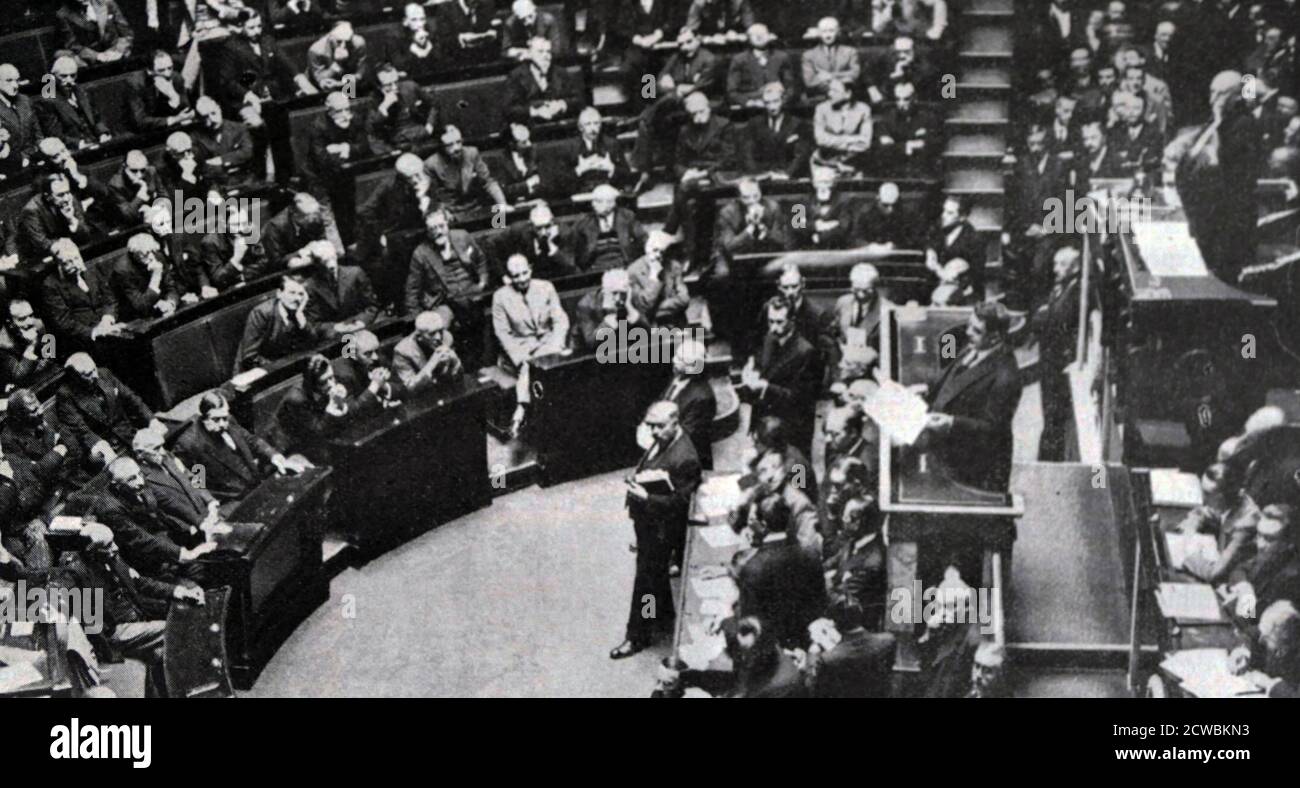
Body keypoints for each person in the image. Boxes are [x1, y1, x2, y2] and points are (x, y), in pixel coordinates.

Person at [53, 521, 204, 697]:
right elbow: (59, 592)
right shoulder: (77, 572)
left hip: (135, 620)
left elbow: (139, 582)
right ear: (92, 551)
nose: (115, 548)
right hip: (114, 633)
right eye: (108, 546)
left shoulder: (112, 558)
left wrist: (179, 591)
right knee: (175, 628)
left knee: (161, 653)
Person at [611, 400, 702, 659]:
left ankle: (638, 635)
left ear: (675, 422)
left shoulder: (685, 458)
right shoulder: (665, 438)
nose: (653, 432)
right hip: (648, 522)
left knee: (645, 582)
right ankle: (663, 617)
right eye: (651, 426)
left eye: (659, 426)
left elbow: (682, 503)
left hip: (660, 530)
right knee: (656, 576)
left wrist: (646, 498)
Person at [921, 301, 1023, 493]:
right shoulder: (975, 345)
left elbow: (993, 430)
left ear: (995, 337)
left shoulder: (1006, 377)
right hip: (948, 452)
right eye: (969, 325)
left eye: (976, 330)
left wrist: (951, 422)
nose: (968, 332)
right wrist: (927, 388)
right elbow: (952, 377)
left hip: (971, 470)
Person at [1175, 70, 1262, 283]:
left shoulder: (1243, 123)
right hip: (1202, 216)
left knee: (1220, 281)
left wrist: (1216, 130)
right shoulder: (1216, 120)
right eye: (1212, 92)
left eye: (1221, 94)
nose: (1214, 99)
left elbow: (1227, 167)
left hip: (1226, 224)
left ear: (1237, 95)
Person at [734, 491, 828, 648]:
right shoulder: (812, 556)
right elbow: (819, 605)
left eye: (752, 520)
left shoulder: (752, 568)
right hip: (806, 643)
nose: (749, 523)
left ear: (763, 526)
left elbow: (748, 624)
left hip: (769, 650)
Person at [491, 254, 569, 433]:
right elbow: (502, 334)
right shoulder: (500, 297)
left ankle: (521, 409)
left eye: (525, 273)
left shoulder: (546, 287)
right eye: (516, 276)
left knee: (537, 365)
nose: (522, 279)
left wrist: (556, 345)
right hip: (521, 349)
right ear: (509, 277)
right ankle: (529, 413)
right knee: (529, 366)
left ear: (530, 269)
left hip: (548, 344)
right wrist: (520, 357)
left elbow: (560, 320)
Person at [172, 391, 295, 502]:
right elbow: (195, 482)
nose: (223, 424)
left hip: (255, 482)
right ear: (203, 418)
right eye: (216, 419)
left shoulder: (228, 420)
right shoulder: (190, 444)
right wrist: (211, 502)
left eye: (224, 418)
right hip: (230, 499)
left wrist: (274, 455)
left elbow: (251, 440)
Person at [739, 298, 821, 459]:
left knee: (797, 476)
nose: (774, 328)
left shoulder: (806, 352)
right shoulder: (769, 338)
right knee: (766, 471)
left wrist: (765, 387)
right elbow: (762, 363)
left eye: (779, 322)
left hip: (793, 428)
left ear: (792, 320)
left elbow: (802, 398)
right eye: (770, 321)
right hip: (766, 423)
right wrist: (751, 370)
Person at [55, 352, 154, 469]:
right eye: (88, 374)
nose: (95, 375)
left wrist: (152, 420)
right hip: (104, 447)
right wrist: (101, 446)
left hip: (128, 434)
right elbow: (81, 429)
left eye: (94, 369)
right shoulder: (65, 394)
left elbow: (131, 398)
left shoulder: (104, 374)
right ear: (75, 377)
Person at [1033, 246, 1084, 462]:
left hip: (1059, 363)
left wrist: (1045, 315)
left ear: (1075, 267)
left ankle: (1049, 460)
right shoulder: (1061, 287)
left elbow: (1058, 319)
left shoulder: (1078, 290)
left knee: (1054, 416)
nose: (1056, 269)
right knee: (1049, 413)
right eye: (1055, 264)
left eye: (1061, 265)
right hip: (1049, 359)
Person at [405, 207, 490, 326]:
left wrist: (482, 283)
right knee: (440, 325)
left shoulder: (462, 236)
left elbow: (481, 260)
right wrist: (418, 320)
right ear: (427, 231)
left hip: (472, 292)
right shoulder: (420, 253)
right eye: (433, 229)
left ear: (447, 224)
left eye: (441, 226)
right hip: (445, 302)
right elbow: (412, 290)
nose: (438, 232)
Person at [38, 238, 121, 351]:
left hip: (108, 325)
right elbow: (64, 323)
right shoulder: (51, 285)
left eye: (77, 258)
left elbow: (110, 299)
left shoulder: (92, 270)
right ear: (59, 265)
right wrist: (94, 332)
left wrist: (107, 319)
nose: (76, 265)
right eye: (68, 263)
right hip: (83, 338)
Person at [235, 275, 331, 372]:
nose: (297, 298)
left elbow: (312, 343)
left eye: (301, 294)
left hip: (285, 369)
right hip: (257, 371)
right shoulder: (261, 313)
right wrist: (281, 368)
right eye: (292, 293)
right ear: (279, 294)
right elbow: (250, 357)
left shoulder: (300, 311)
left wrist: (303, 323)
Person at [1226, 504, 1300, 622]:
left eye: (1269, 539)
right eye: (1259, 535)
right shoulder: (1271, 555)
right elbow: (1240, 569)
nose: (1260, 544)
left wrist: (1245, 603)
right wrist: (1245, 587)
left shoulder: (1291, 578)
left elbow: (1253, 619)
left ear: (1288, 543)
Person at [276, 354, 354, 465]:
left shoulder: (327, 383)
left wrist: (342, 397)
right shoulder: (296, 399)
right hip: (290, 447)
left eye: (331, 377)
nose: (331, 384)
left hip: (314, 436)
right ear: (311, 383)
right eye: (324, 382)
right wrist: (330, 411)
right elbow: (317, 432)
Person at [19, 174, 102, 268]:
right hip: (44, 259)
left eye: (68, 192)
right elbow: (41, 244)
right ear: (48, 196)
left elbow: (86, 235)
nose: (66, 198)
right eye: (60, 195)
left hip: (71, 251)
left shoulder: (70, 199)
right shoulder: (31, 210)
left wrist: (71, 219)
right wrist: (65, 243)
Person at [424, 124, 508, 215]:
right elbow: (433, 198)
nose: (457, 148)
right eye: (450, 145)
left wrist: (502, 204)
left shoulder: (472, 153)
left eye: (458, 142)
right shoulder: (431, 165)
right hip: (450, 213)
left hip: (476, 207)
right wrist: (443, 214)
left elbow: (488, 182)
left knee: (500, 222)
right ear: (441, 147)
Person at [299, 240, 378, 334]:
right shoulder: (310, 287)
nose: (331, 265)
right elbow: (313, 323)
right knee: (348, 346)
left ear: (336, 255)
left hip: (360, 328)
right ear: (317, 263)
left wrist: (360, 322)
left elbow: (371, 306)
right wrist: (335, 328)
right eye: (325, 261)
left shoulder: (355, 273)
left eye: (332, 258)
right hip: (334, 335)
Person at [659, 339, 715, 471]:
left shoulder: (703, 397)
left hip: (688, 461)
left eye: (679, 358)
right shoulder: (678, 377)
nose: (673, 359)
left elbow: (687, 435)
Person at [739, 82, 812, 179]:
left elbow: (801, 155)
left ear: (783, 100)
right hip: (762, 175)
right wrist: (756, 174)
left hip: (787, 176)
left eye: (775, 101)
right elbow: (747, 153)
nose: (772, 107)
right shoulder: (755, 124)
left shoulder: (797, 124)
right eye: (767, 103)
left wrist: (786, 174)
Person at [37, 57, 112, 149]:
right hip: (74, 148)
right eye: (63, 76)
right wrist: (79, 144)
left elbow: (96, 118)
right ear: (53, 77)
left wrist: (102, 133)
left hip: (96, 141)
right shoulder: (47, 100)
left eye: (73, 76)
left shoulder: (82, 92)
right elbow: (55, 134)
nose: (69, 80)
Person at [830, 263, 888, 382]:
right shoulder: (842, 303)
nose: (861, 295)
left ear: (875, 286)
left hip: (871, 375)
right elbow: (834, 334)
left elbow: (889, 354)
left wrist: (871, 357)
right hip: (843, 372)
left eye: (866, 291)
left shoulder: (887, 310)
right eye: (856, 290)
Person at [504, 37, 583, 125]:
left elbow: (578, 99)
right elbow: (509, 109)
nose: (546, 56)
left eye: (548, 52)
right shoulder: (516, 76)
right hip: (529, 127)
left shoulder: (560, 72)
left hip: (558, 124)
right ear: (530, 54)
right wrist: (535, 112)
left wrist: (561, 104)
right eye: (540, 52)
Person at [306, 91, 373, 192]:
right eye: (339, 111)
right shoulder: (317, 126)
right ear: (329, 111)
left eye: (347, 109)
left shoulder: (355, 118)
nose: (345, 115)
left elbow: (364, 146)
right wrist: (346, 156)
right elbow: (321, 158)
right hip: (327, 174)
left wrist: (344, 148)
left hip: (353, 168)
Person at [725, 616, 808, 697]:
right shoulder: (747, 650)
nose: (743, 655)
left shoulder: (767, 654)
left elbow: (755, 687)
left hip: (784, 689)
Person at [366, 62, 438, 155]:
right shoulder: (374, 99)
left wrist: (430, 125)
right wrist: (384, 106)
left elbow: (434, 103)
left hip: (423, 138)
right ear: (379, 87)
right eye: (388, 85)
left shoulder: (410, 87)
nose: (395, 87)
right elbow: (372, 131)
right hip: (398, 145)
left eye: (396, 81)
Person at [572, 184, 648, 272]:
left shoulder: (627, 216)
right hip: (595, 269)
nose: (593, 204)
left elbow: (643, 238)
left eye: (598, 201)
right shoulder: (584, 221)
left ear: (611, 203)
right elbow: (572, 246)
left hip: (624, 267)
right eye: (593, 201)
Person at [574, 268, 648, 352]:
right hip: (589, 353)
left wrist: (630, 309)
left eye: (622, 293)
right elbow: (590, 343)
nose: (618, 298)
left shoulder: (631, 296)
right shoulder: (586, 304)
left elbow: (648, 334)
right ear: (604, 291)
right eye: (614, 293)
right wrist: (607, 324)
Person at [626, 230, 690, 328]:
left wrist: (658, 310)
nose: (658, 255)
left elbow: (684, 299)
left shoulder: (673, 266)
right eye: (655, 250)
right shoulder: (633, 271)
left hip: (673, 322)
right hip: (648, 327)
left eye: (662, 252)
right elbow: (643, 307)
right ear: (647, 249)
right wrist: (654, 277)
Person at [924, 195, 985, 297]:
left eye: (950, 213)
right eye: (944, 211)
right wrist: (930, 252)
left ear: (963, 217)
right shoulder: (938, 227)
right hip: (936, 288)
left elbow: (977, 274)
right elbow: (928, 241)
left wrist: (956, 276)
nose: (943, 216)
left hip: (962, 293)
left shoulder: (974, 239)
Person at [726, 24, 797, 110]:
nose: (759, 37)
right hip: (751, 108)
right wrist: (749, 103)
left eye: (763, 34)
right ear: (748, 38)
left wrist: (780, 101)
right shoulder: (739, 60)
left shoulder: (781, 57)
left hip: (777, 106)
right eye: (754, 34)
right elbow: (732, 92)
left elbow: (790, 87)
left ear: (770, 36)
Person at [191, 96, 256, 189]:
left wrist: (221, 160)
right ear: (199, 119)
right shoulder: (195, 137)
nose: (212, 119)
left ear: (219, 108)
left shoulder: (239, 128)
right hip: (215, 185)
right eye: (206, 117)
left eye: (213, 113)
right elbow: (200, 164)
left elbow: (247, 152)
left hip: (243, 180)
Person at [392, 310, 464, 392]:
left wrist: (455, 360)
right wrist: (432, 363)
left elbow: (459, 376)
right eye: (432, 334)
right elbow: (410, 388)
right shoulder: (403, 351)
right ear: (419, 336)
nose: (438, 337)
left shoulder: (446, 337)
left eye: (440, 331)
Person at [501, 202, 578, 279]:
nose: (543, 232)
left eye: (547, 226)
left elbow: (570, 266)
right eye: (539, 228)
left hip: (559, 276)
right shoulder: (519, 230)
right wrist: (503, 275)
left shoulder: (565, 233)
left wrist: (552, 248)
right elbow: (491, 243)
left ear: (552, 222)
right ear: (531, 226)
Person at [124, 51, 194, 134]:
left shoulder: (176, 77)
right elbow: (140, 121)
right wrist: (175, 119)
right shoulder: (135, 84)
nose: (167, 74)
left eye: (170, 68)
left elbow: (187, 111)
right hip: (144, 132)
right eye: (161, 70)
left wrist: (173, 95)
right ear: (149, 70)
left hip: (170, 126)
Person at [813, 79, 873, 175]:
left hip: (853, 163)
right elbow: (820, 139)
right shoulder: (821, 109)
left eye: (834, 91)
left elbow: (866, 142)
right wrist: (852, 139)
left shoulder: (863, 109)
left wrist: (833, 141)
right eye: (829, 90)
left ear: (848, 94)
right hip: (825, 162)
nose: (829, 94)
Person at [199, 205, 266, 290]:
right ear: (224, 224)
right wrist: (236, 258)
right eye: (236, 224)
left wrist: (243, 273)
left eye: (244, 223)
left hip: (253, 281)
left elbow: (265, 262)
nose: (242, 229)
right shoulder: (210, 242)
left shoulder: (250, 229)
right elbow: (218, 280)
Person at [260, 192, 328, 273]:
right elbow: (276, 262)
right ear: (295, 215)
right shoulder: (274, 227)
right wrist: (300, 253)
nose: (312, 219)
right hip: (287, 269)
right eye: (307, 216)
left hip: (311, 259)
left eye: (315, 214)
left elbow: (322, 239)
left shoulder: (314, 216)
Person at [335, 329, 402, 409]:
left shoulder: (379, 358)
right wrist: (375, 385)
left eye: (376, 350)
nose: (375, 357)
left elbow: (402, 388)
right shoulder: (344, 374)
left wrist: (384, 386)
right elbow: (351, 410)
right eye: (368, 353)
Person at [564, 107, 625, 192]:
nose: (593, 129)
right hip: (581, 192)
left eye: (596, 123)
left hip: (607, 192)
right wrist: (579, 169)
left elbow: (626, 174)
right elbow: (562, 181)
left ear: (601, 125)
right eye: (588, 124)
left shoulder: (612, 144)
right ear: (580, 127)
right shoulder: (570, 147)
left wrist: (611, 168)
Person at [56, 0, 134, 66]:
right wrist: (97, 56)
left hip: (118, 55)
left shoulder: (107, 3)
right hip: (90, 61)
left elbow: (126, 33)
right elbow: (72, 44)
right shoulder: (63, 14)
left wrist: (118, 51)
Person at [0, 300, 57, 388]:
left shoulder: (38, 324)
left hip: (49, 377)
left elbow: (51, 356)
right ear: (10, 323)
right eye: (22, 319)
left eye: (31, 315)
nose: (30, 321)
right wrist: (32, 345)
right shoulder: (3, 346)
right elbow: (20, 376)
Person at [793, 167, 853, 249]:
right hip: (808, 248)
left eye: (826, 182)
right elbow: (796, 225)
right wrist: (816, 226)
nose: (823, 186)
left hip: (835, 248)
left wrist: (821, 237)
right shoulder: (802, 200)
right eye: (819, 182)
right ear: (814, 183)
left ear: (833, 183)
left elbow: (844, 227)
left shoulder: (843, 200)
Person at [802, 17, 861, 101]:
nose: (828, 35)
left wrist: (830, 76)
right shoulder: (808, 55)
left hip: (845, 95)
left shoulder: (850, 51)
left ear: (838, 31)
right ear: (819, 33)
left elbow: (855, 74)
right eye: (824, 31)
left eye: (831, 31)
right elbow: (809, 81)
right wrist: (836, 84)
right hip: (820, 96)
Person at [307, 21, 370, 93]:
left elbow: (359, 74)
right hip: (324, 88)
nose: (344, 46)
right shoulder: (316, 50)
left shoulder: (359, 43)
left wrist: (340, 84)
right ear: (330, 38)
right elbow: (321, 80)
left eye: (348, 41)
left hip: (348, 84)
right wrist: (337, 64)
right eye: (339, 42)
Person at [0, 64, 43, 162]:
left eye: (17, 80)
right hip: (11, 162)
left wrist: (36, 153)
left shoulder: (24, 100)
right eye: (9, 80)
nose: (15, 85)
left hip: (34, 155)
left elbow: (38, 134)